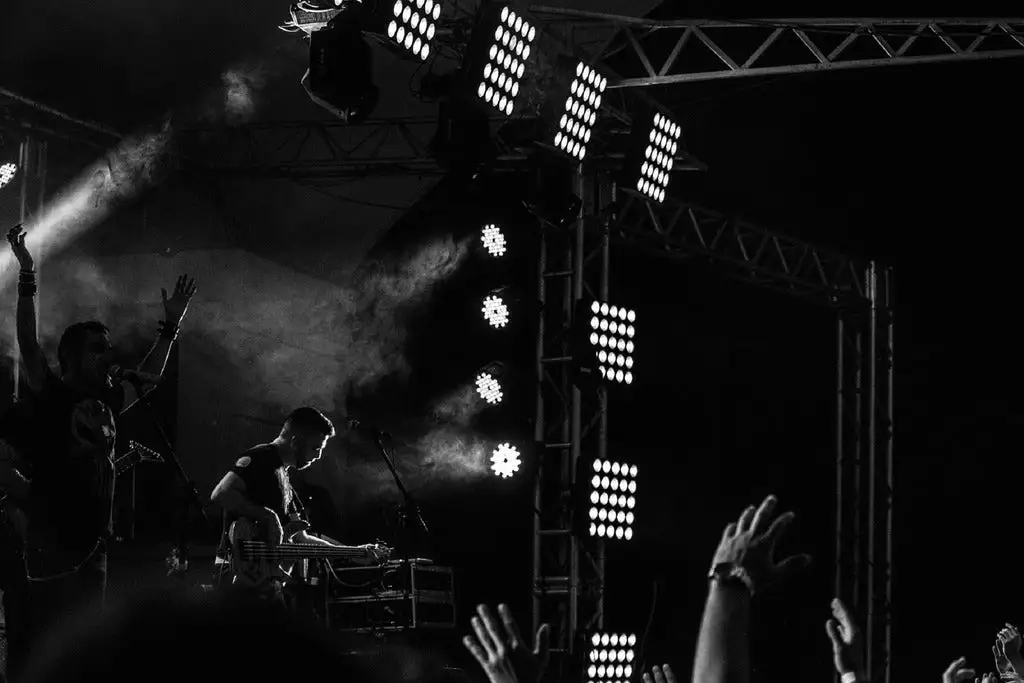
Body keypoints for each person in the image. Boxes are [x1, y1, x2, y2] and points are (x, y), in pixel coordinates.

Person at [5, 225, 197, 652]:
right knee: (47, 645)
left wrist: (170, 327)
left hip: (94, 545)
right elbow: (28, 345)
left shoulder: (110, 397)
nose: (108, 355)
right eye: (98, 348)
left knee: (88, 649)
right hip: (53, 540)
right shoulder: (54, 393)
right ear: (72, 356)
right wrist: (27, 273)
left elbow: (151, 378)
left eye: (108, 347)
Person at [210, 407, 385, 602]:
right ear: (295, 442)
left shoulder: (285, 479)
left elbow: (302, 538)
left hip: (263, 582)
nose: (318, 456)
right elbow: (220, 494)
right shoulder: (260, 457)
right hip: (237, 574)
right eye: (315, 448)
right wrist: (268, 515)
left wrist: (353, 552)